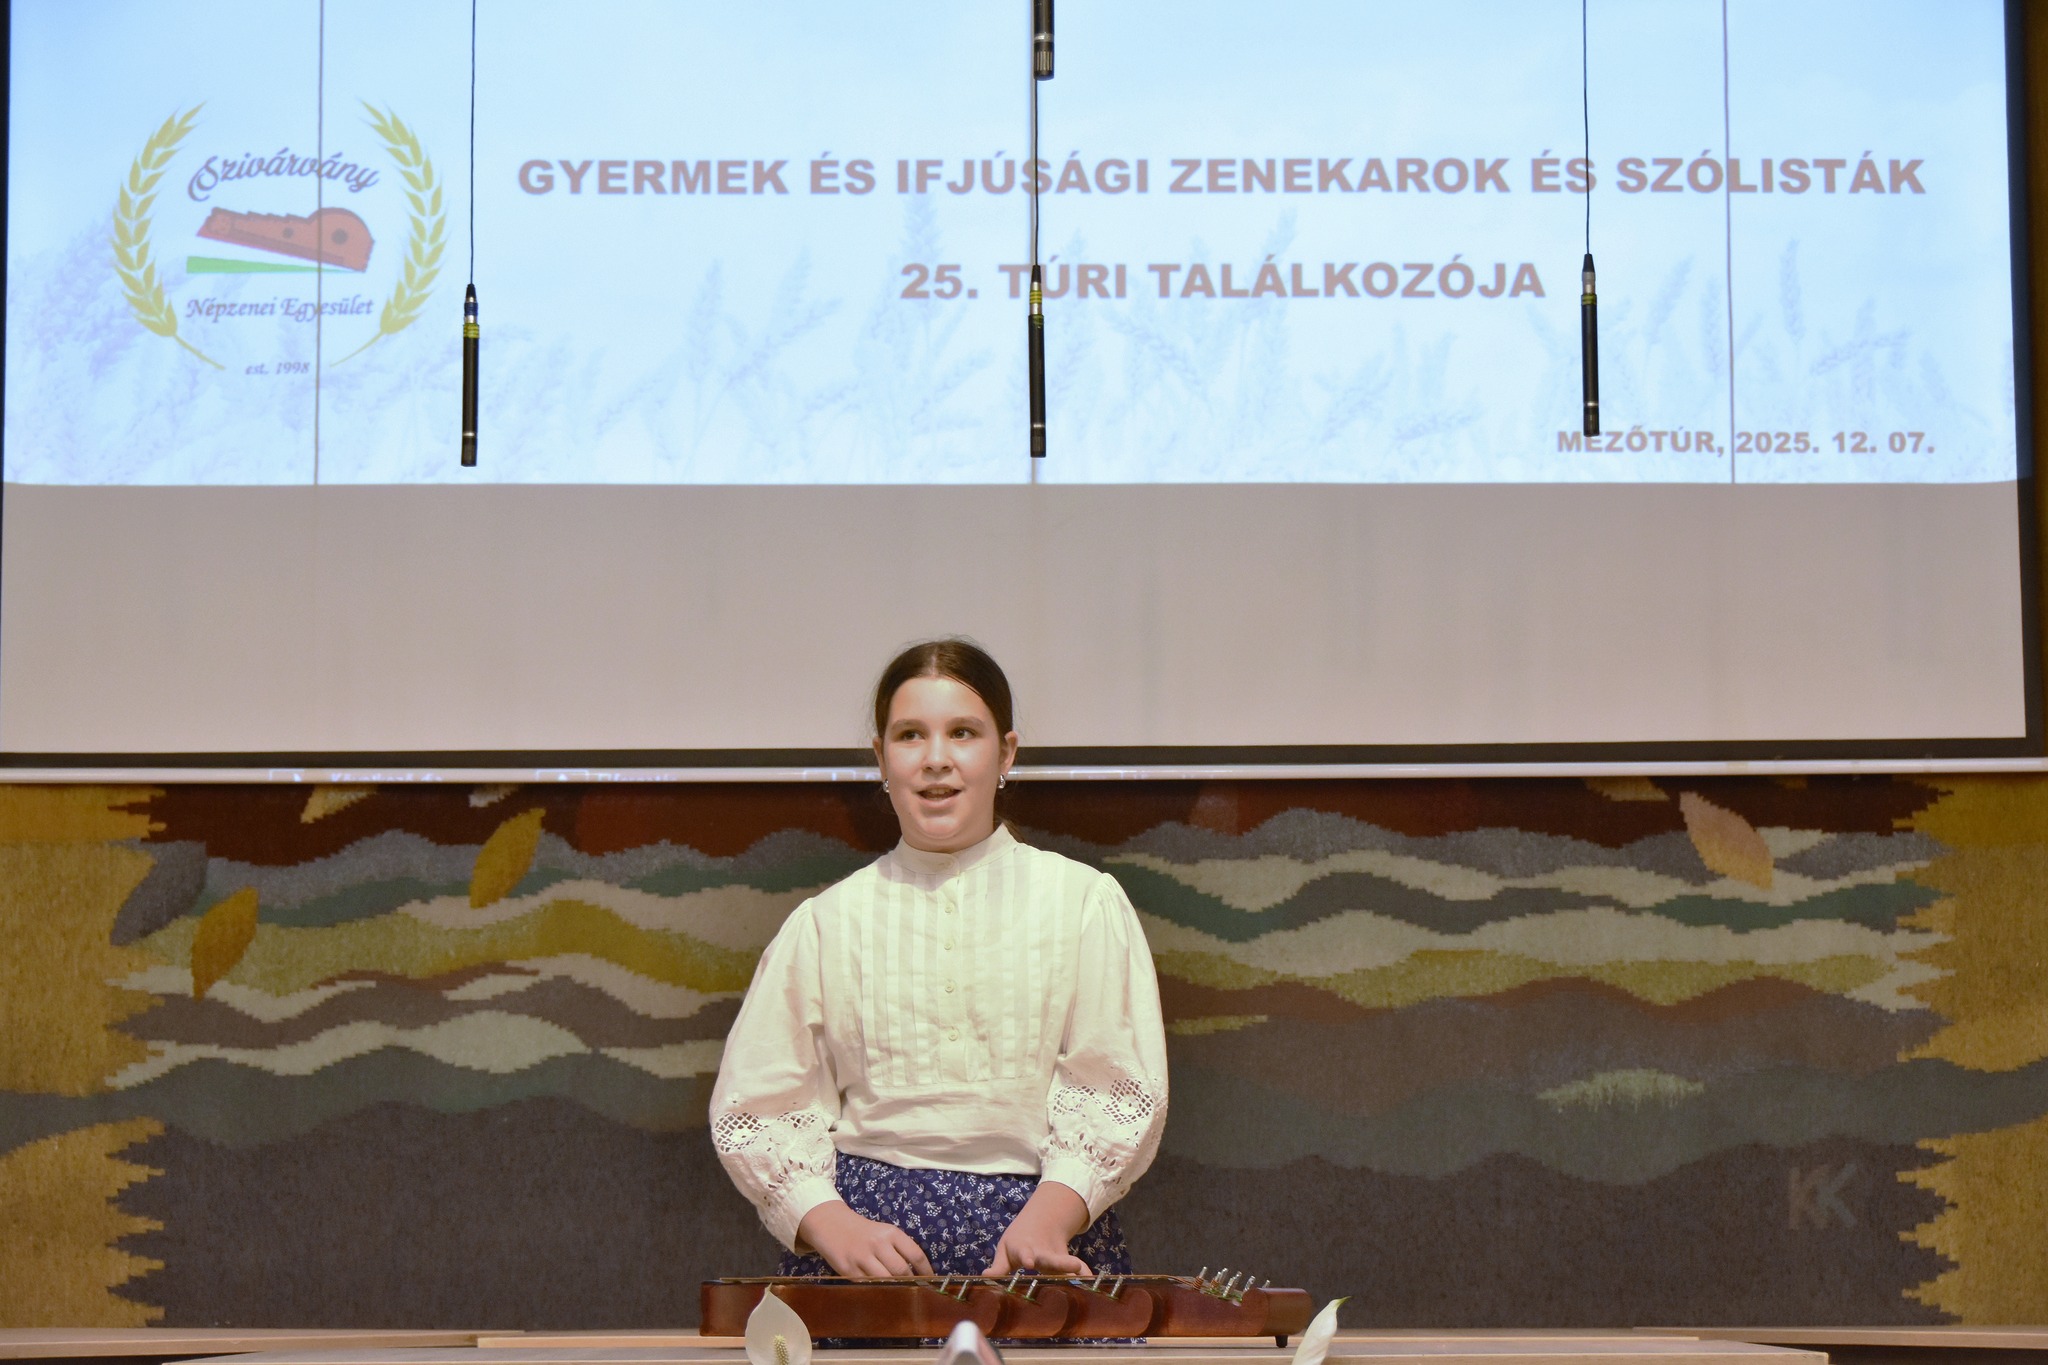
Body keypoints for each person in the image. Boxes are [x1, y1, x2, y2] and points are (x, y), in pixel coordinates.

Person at [709, 638, 1169, 1281]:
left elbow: (1118, 1087)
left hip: (1041, 1248)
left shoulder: (1084, 903)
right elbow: (756, 1107)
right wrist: (829, 1222)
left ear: (1006, 753)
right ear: (881, 758)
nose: (935, 760)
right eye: (910, 735)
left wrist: (1052, 1215)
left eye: (962, 733)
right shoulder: (825, 922)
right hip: (865, 1261)